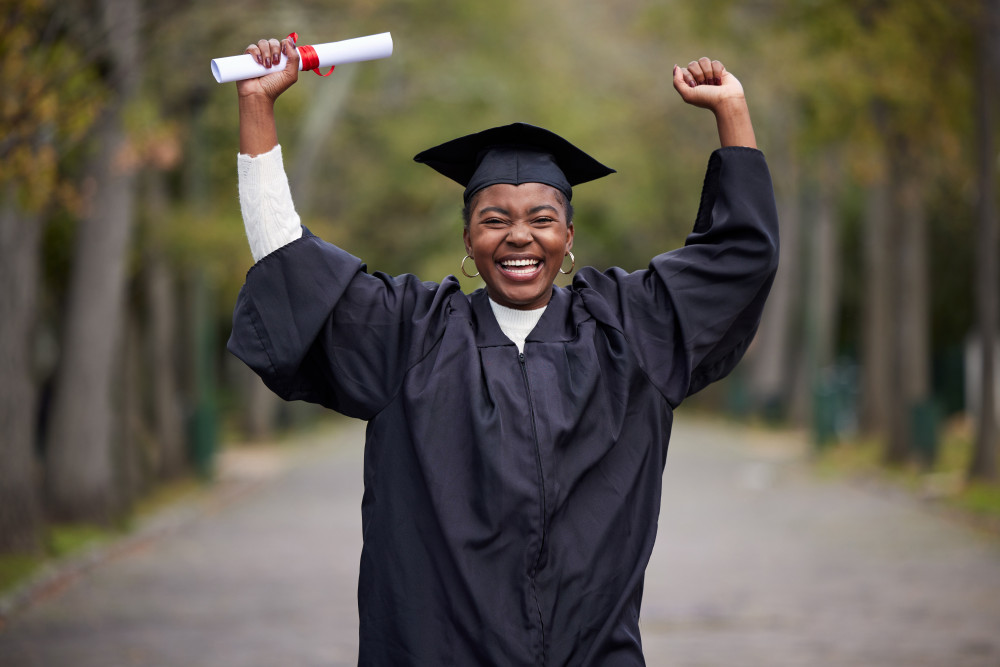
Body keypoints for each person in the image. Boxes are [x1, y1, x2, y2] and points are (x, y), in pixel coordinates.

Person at [229, 36, 778, 667]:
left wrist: (732, 112)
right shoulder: (411, 336)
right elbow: (290, 267)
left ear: (569, 236)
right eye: (494, 219)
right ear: (468, 237)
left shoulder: (628, 333)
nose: (520, 235)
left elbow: (738, 260)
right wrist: (257, 109)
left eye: (542, 218)